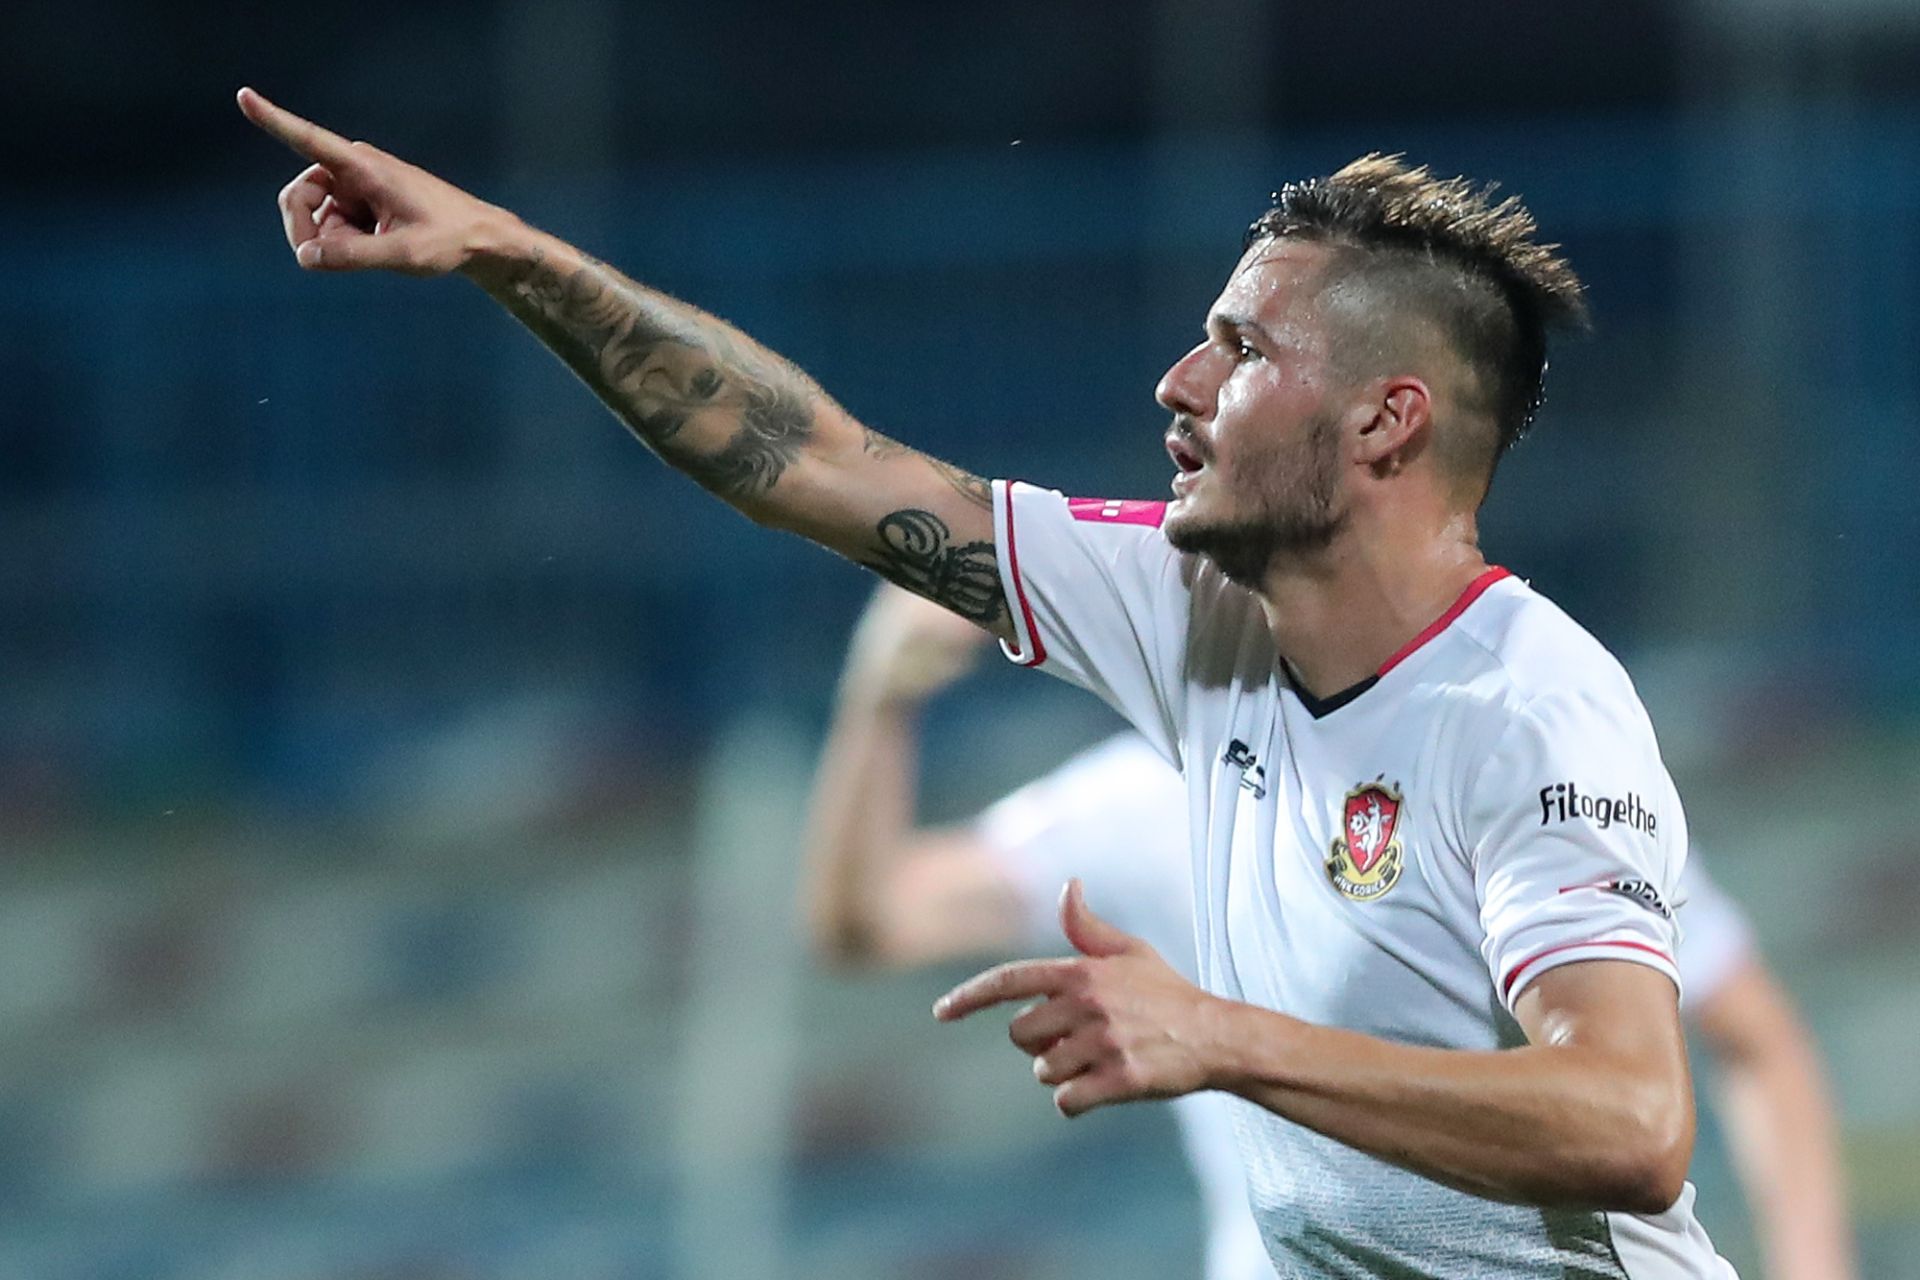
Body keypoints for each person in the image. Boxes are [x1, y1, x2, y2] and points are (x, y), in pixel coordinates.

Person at [239, 86, 1736, 1275]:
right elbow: (814, 463)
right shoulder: (1193, 604)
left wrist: (1221, 1038)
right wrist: (511, 253)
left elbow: (1631, 1119)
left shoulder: (1527, 709)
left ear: (1385, 422)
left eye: (1240, 349)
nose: (1178, 383)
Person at [807, 585, 1856, 1280]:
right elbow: (868, 916)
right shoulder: (1149, 804)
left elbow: (1754, 1037)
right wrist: (880, 695)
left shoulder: (1526, 767)